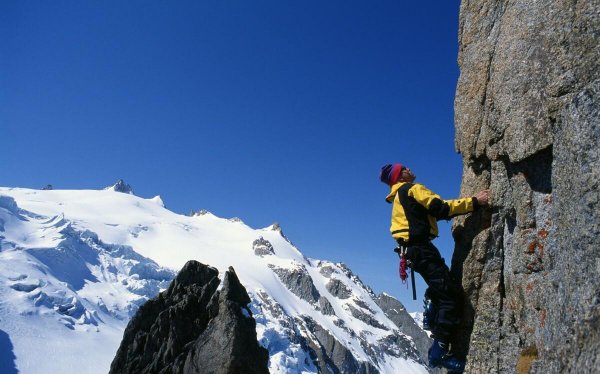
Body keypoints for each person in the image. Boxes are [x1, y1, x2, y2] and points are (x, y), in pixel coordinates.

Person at [379, 163, 489, 373]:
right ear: (400, 176)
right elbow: (441, 208)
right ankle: (438, 354)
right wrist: (476, 202)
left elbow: (435, 211)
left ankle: (432, 308)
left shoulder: (400, 197)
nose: (410, 168)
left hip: (413, 252)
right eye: (405, 168)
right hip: (422, 250)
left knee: (442, 287)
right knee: (450, 296)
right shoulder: (412, 189)